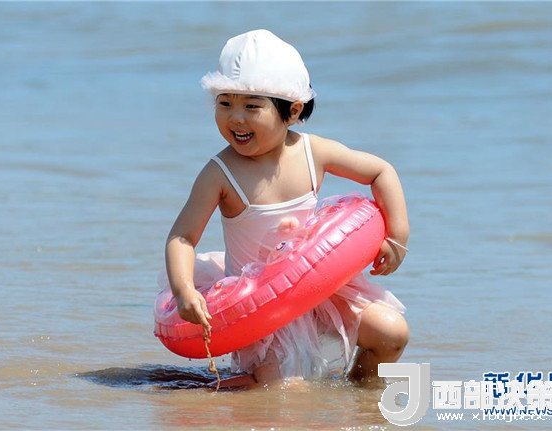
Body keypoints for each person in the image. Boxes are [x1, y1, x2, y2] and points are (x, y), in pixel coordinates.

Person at [160, 29, 409, 388]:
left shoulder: (313, 152)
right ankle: (246, 383)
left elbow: (380, 171)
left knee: (392, 332)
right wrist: (185, 290)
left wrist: (397, 236)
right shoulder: (220, 173)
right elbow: (182, 237)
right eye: (225, 103)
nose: (236, 118)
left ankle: (359, 393)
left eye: (252, 106)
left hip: (319, 291)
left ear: (291, 110)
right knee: (286, 392)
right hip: (259, 307)